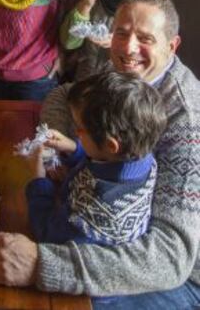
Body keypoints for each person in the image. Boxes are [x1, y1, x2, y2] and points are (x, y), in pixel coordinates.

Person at [0, 0, 200, 309]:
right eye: (121, 33)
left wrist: (44, 266)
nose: (128, 48)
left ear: (172, 46)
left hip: (177, 279)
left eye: (145, 38)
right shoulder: (124, 77)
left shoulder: (187, 119)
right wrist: (58, 150)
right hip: (99, 223)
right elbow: (64, 95)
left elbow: (170, 258)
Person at [25, 71, 166, 250]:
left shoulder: (93, 214)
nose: (75, 133)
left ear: (110, 144)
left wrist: (38, 181)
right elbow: (105, 161)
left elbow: (46, 232)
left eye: (79, 128)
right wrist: (75, 149)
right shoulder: (142, 158)